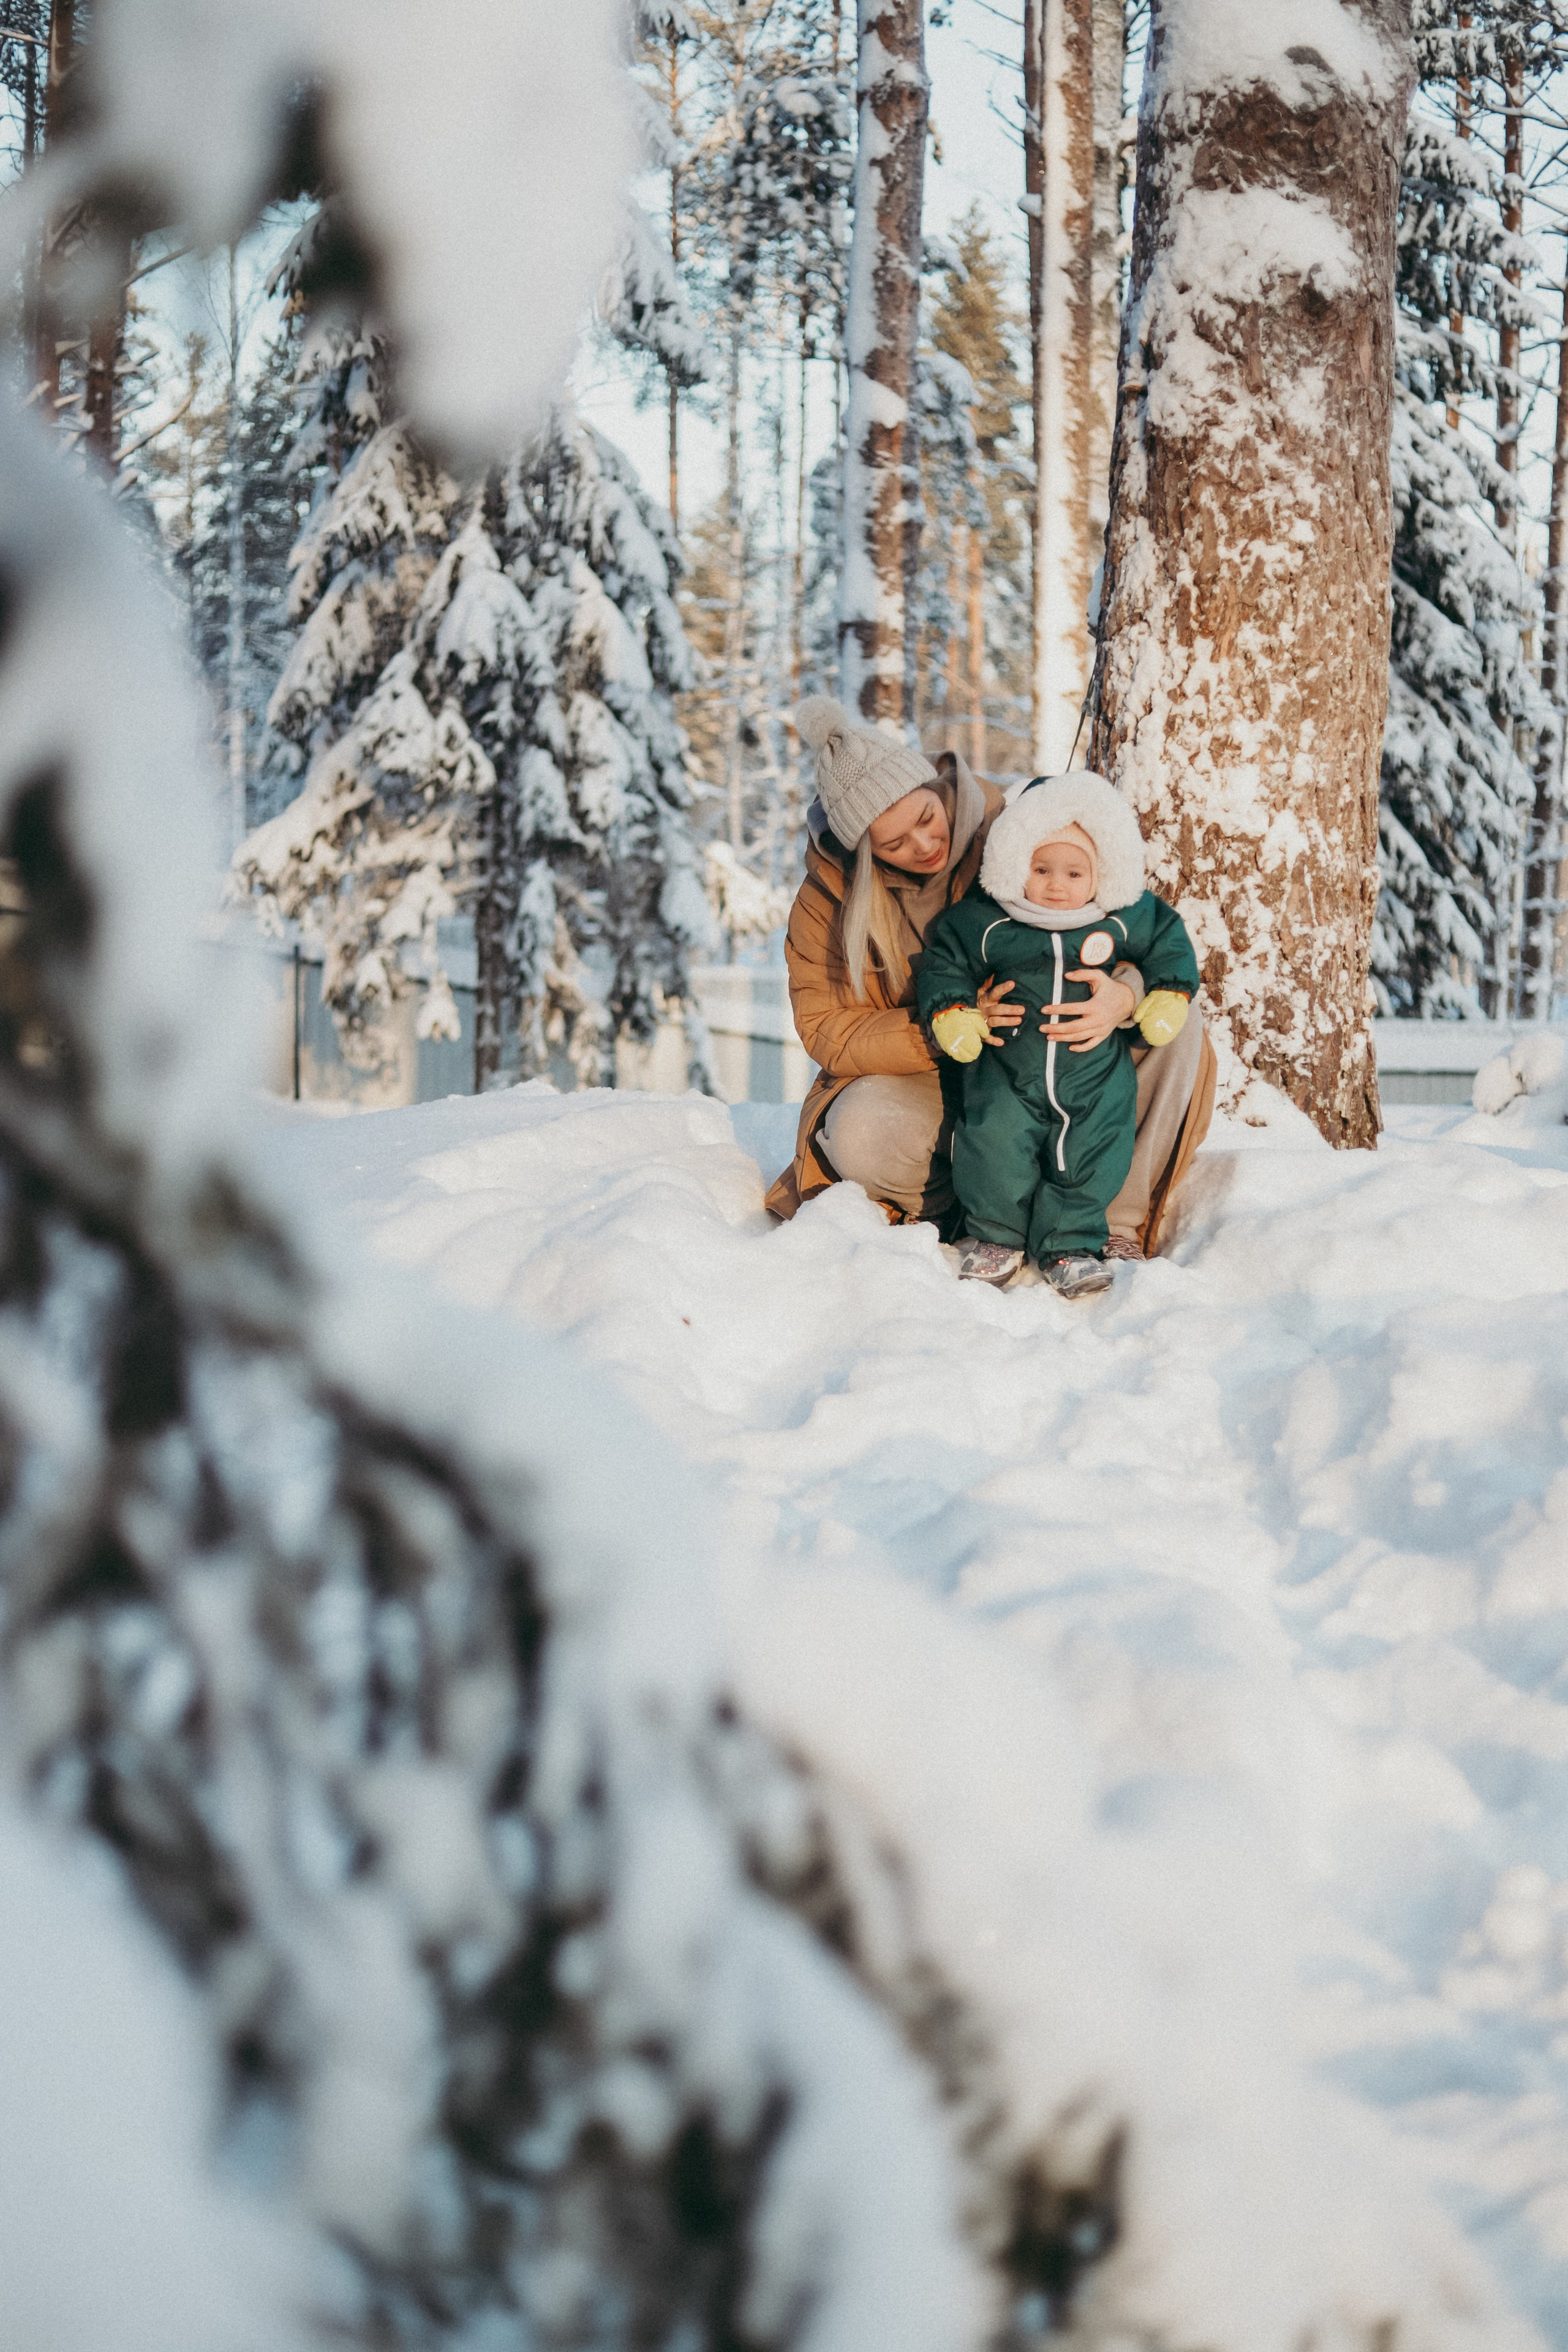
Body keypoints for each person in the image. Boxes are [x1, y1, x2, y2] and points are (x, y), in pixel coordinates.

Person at [764, 696, 1216, 1257]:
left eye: (927, 819)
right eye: (894, 843)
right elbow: (825, 1028)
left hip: (1062, 1050)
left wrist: (1125, 995)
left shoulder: (1010, 831)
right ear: (862, 851)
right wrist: (942, 1028)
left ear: (936, 787)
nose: (924, 845)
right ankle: (990, 1212)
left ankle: (1114, 1218)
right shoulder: (825, 901)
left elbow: (1117, 918)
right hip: (936, 1079)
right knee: (857, 1129)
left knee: (1179, 1020)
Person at [918, 772, 1200, 1297]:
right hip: (1005, 1070)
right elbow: (945, 961)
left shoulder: (1119, 917)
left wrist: (1167, 993)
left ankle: (1070, 1244)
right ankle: (996, 1235)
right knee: (993, 1145)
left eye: (1075, 872)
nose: (1056, 884)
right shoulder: (988, 920)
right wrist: (954, 1010)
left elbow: (1168, 941)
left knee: (1091, 1153)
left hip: (1093, 1075)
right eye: (1041, 868)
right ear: (1015, 861)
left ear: (1101, 873)